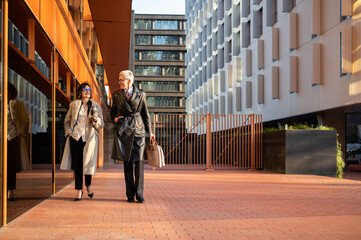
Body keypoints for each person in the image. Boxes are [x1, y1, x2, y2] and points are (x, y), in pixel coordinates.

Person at [110, 70, 155, 203]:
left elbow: (146, 115)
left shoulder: (141, 94)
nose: (119, 82)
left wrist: (150, 131)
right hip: (124, 130)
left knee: (139, 163)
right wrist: (116, 119)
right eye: (119, 80)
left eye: (121, 80)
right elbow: (112, 113)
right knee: (127, 164)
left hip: (139, 131)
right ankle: (130, 194)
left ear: (129, 81)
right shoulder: (117, 95)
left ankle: (139, 194)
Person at [61, 82, 103, 201]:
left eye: (89, 90)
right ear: (80, 92)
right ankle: (79, 190)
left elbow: (101, 124)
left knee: (87, 164)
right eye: (85, 89)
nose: (87, 91)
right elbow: (67, 121)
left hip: (89, 138)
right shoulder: (73, 105)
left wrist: (96, 120)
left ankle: (88, 186)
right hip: (76, 138)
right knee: (78, 165)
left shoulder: (96, 106)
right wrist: (69, 132)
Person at [7, 83, 30, 201]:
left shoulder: (17, 104)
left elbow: (25, 120)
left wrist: (19, 133)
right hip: (2, 138)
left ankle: (10, 190)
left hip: (12, 138)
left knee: (10, 165)